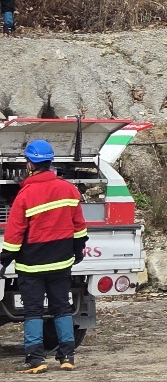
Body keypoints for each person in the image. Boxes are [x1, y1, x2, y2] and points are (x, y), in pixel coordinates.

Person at [1, 140, 86, 373]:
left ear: (29, 164)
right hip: (61, 262)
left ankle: (36, 359)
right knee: (62, 308)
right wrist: (78, 250)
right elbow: (79, 226)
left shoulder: (25, 195)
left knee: (33, 311)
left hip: (31, 266)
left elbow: (14, 234)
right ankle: (67, 356)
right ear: (50, 162)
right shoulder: (69, 190)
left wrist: (5, 259)